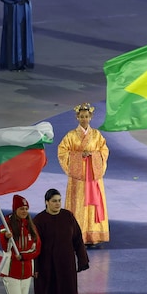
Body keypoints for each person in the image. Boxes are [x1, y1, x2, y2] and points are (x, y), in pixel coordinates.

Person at [33, 188, 89, 294]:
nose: (57, 204)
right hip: (46, 267)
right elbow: (35, 247)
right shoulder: (39, 221)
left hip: (65, 266)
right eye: (54, 201)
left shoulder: (67, 216)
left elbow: (77, 239)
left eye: (59, 200)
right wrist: (35, 268)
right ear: (46, 202)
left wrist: (82, 259)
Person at [57, 102, 110, 245]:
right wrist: (79, 156)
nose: (84, 119)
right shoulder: (71, 136)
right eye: (81, 117)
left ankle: (93, 235)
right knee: (78, 203)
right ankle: (77, 235)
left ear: (90, 117)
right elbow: (62, 152)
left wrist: (93, 156)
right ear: (77, 117)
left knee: (93, 204)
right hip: (78, 178)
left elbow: (104, 151)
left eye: (86, 116)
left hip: (92, 174)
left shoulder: (96, 135)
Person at [0, 194, 40, 294]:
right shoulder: (6, 224)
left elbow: (37, 248)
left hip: (26, 273)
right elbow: (4, 246)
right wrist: (6, 237)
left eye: (26, 209)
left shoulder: (31, 225)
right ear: (15, 209)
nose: (24, 211)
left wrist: (24, 256)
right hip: (11, 273)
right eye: (21, 208)